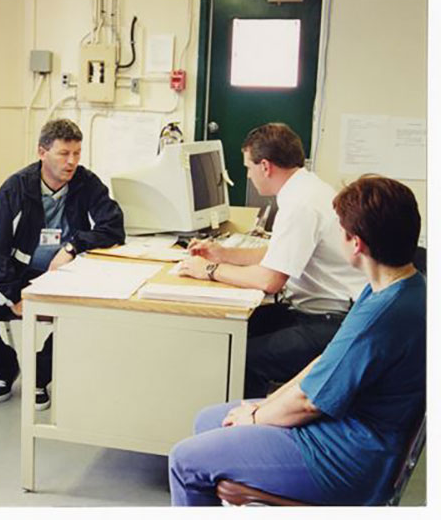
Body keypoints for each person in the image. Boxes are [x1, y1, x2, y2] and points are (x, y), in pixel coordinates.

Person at [168, 175, 425, 506]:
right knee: (208, 419)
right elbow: (324, 362)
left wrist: (256, 420)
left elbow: (310, 403)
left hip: (344, 457)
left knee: (185, 461)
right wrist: (265, 404)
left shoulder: (383, 314)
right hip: (348, 430)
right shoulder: (397, 287)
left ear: (356, 243)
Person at [178, 123, 367, 398]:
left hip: (329, 323)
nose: (249, 174)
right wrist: (223, 253)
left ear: (265, 166)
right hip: (324, 313)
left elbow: (270, 280)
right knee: (232, 334)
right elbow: (278, 254)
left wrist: (209, 269)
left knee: (236, 355)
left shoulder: (300, 205)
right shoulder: (307, 188)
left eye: (248, 167)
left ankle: (249, 427)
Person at [0, 119, 125, 409]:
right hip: (14, 274)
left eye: (77, 154)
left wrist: (73, 247)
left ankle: (39, 374)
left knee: (86, 314)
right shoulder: (15, 189)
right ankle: (4, 368)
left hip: (67, 274)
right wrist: (11, 298)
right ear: (42, 152)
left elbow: (114, 228)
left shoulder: (86, 183)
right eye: (64, 154)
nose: (71, 162)